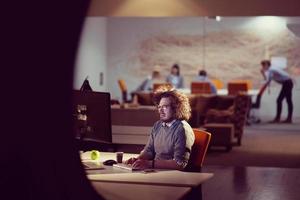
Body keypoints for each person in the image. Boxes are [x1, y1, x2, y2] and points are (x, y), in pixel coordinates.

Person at [125, 86, 195, 170]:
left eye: (165, 107)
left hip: (173, 175)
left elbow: (179, 164)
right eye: (159, 107)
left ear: (176, 108)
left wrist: (149, 164)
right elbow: (149, 150)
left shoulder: (181, 129)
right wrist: (138, 159)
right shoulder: (157, 125)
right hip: (154, 170)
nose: (161, 110)